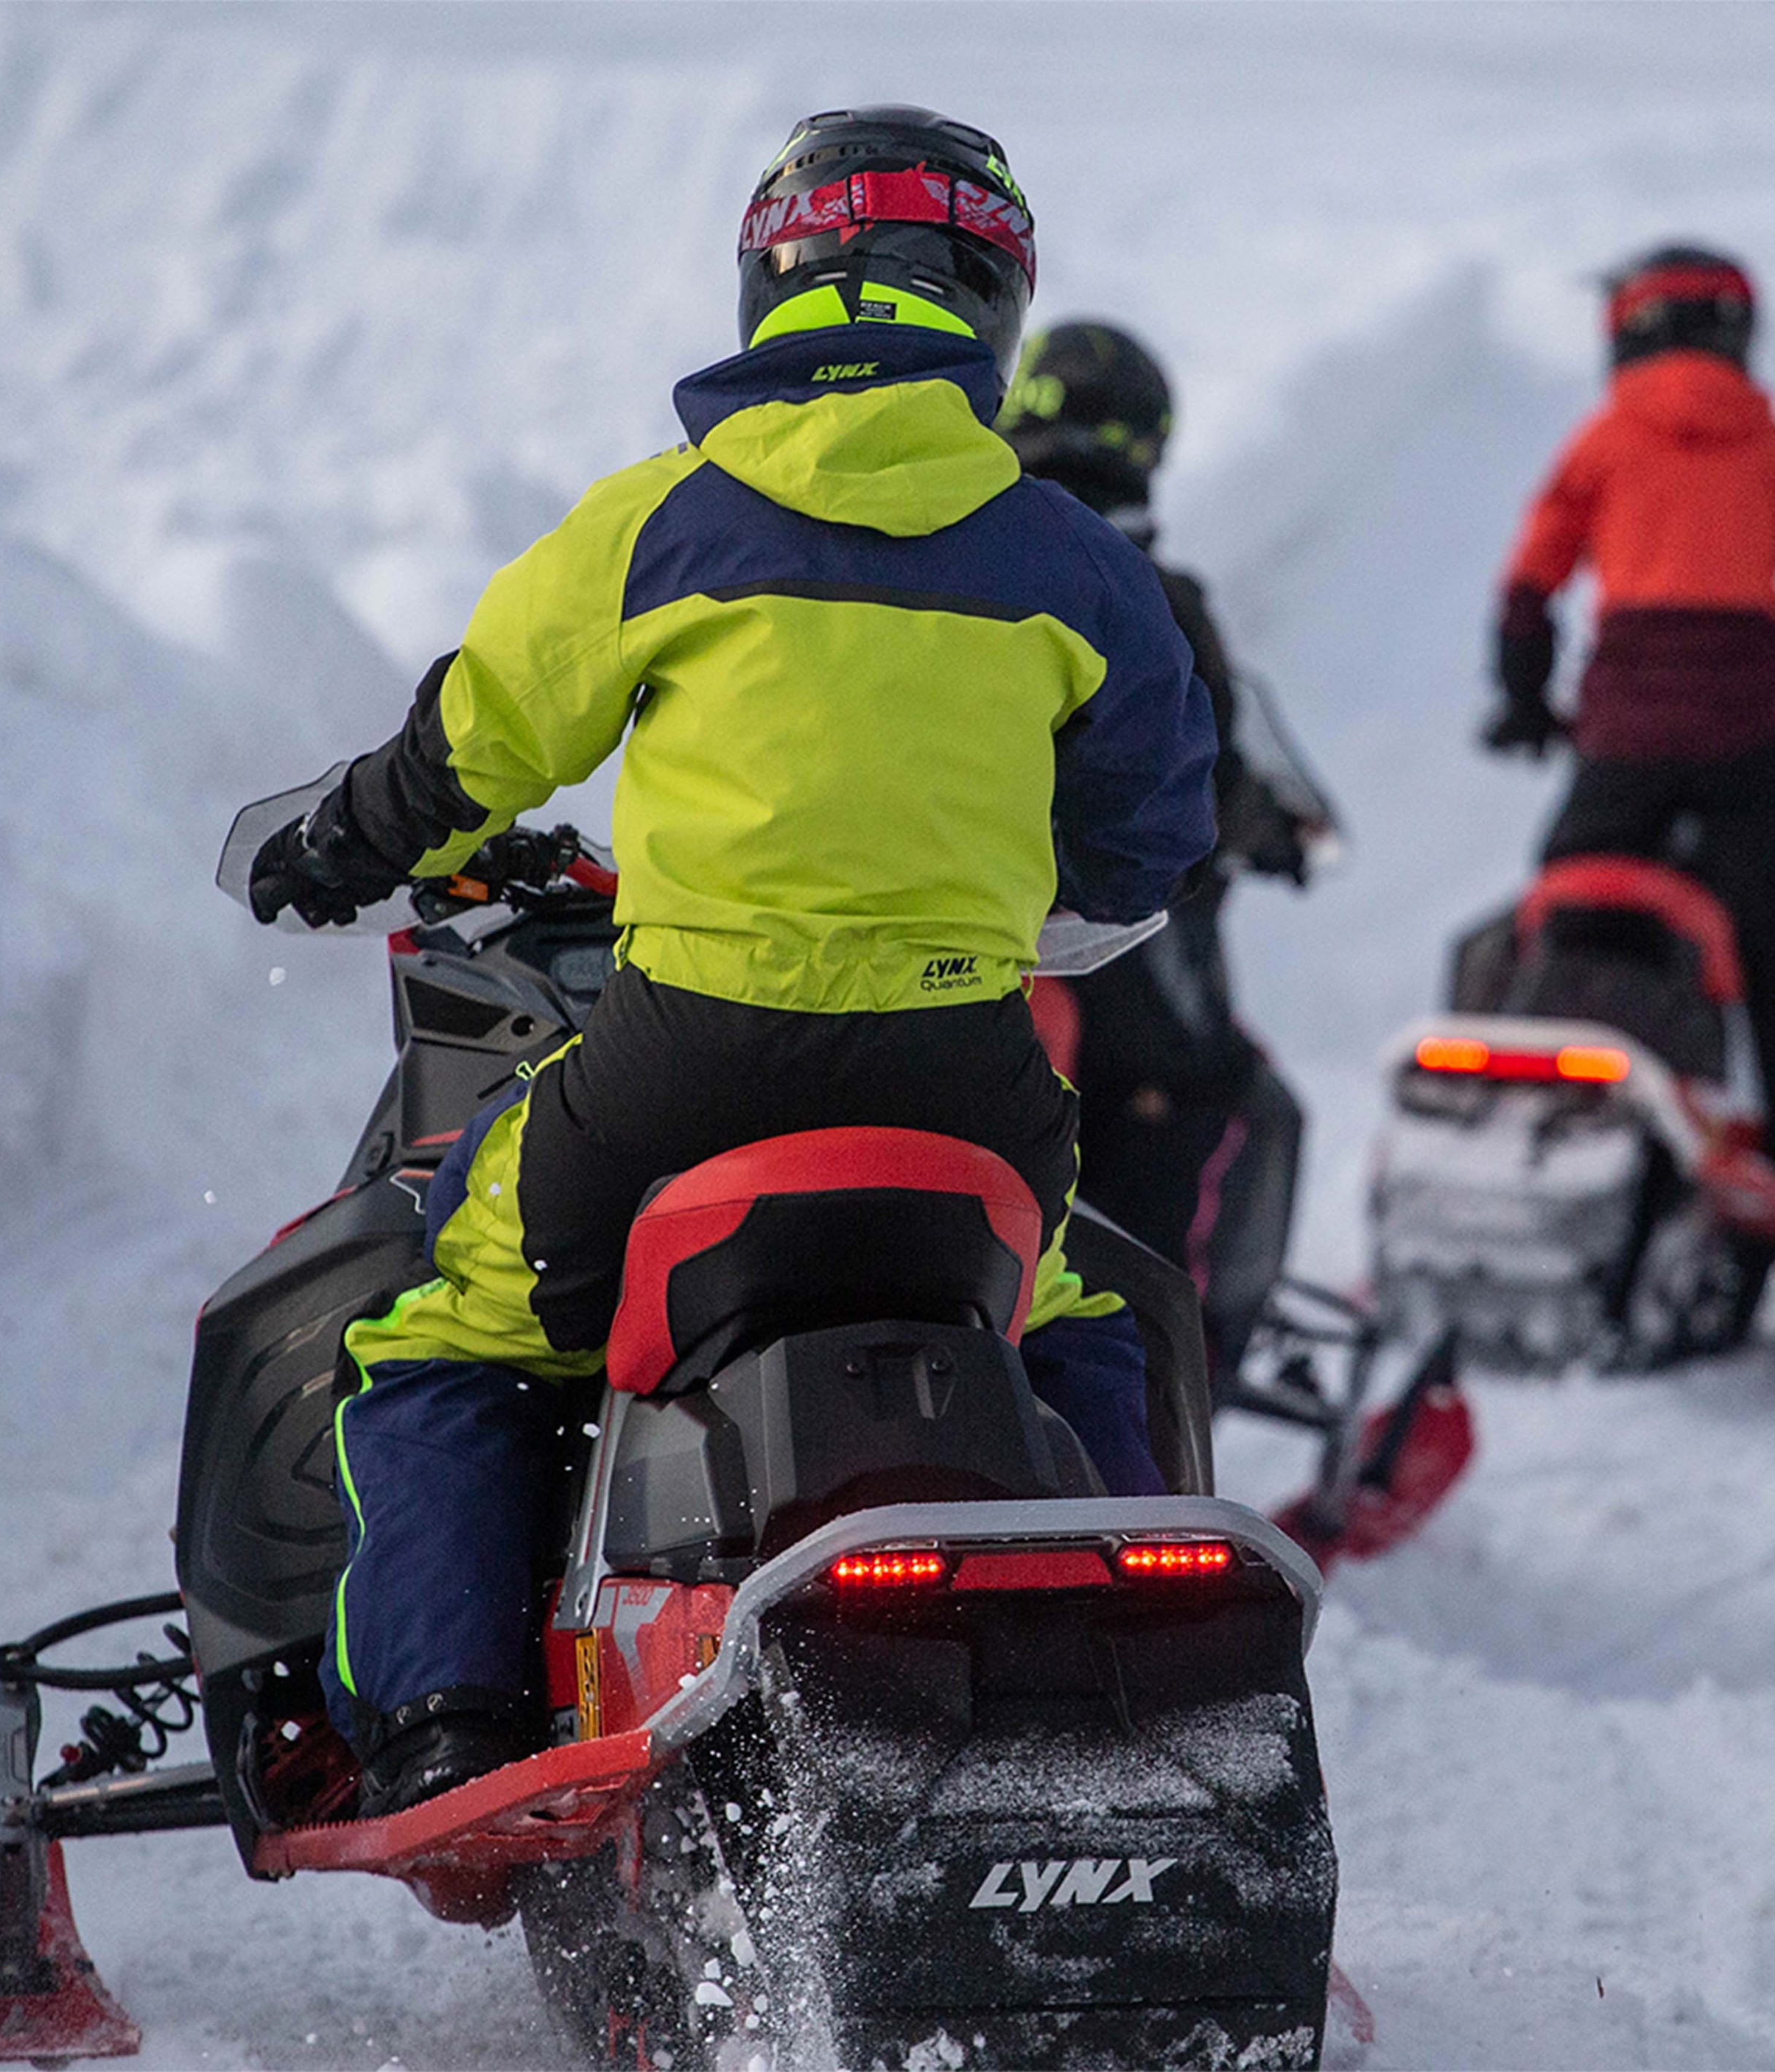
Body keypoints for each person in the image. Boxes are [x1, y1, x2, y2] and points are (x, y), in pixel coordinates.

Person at [242, 106, 1217, 1814]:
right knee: (1074, 1316)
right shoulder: (1074, 559)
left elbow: (473, 744)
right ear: (987, 304)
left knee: (443, 1324)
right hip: (964, 1076)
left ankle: (449, 1717)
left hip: (687, 1055)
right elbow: (1145, 835)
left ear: (776, 280)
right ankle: (1157, 1716)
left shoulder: (662, 520)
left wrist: (341, 842)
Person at [1486, 244, 1775, 1197]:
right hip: (1751, 738)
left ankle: (1516, 1106)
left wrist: (1521, 696)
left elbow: (1529, 581)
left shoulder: (1600, 444)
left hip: (1624, 735)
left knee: (1567, 902)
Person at [996, 323, 1317, 1329]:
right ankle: (1187, 1373)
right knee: (1216, 1096)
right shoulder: (1157, 598)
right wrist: (1259, 824)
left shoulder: (955, 563)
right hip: (1095, 942)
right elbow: (1208, 776)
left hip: (938, 935)